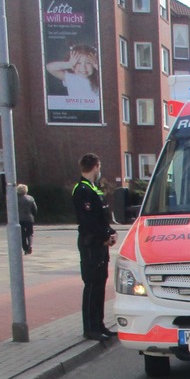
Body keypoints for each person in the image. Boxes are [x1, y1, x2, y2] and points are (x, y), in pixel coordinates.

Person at [72, 154, 118, 341]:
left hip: (99, 243)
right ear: (96, 166)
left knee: (100, 284)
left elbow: (102, 217)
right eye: (99, 167)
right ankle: (90, 327)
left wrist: (111, 232)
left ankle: (99, 324)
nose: (100, 171)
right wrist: (104, 236)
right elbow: (88, 221)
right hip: (91, 244)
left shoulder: (94, 189)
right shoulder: (82, 190)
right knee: (92, 285)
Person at [46, 44, 101, 109]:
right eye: (78, 63)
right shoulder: (70, 77)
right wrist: (68, 64)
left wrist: (98, 66)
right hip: (76, 110)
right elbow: (49, 67)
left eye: (88, 63)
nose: (83, 67)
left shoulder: (99, 78)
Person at [16, 183, 37, 255]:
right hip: (29, 218)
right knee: (30, 233)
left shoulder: (15, 199)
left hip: (19, 219)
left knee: (22, 235)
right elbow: (34, 209)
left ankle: (25, 248)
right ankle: (30, 245)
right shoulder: (30, 198)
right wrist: (33, 215)